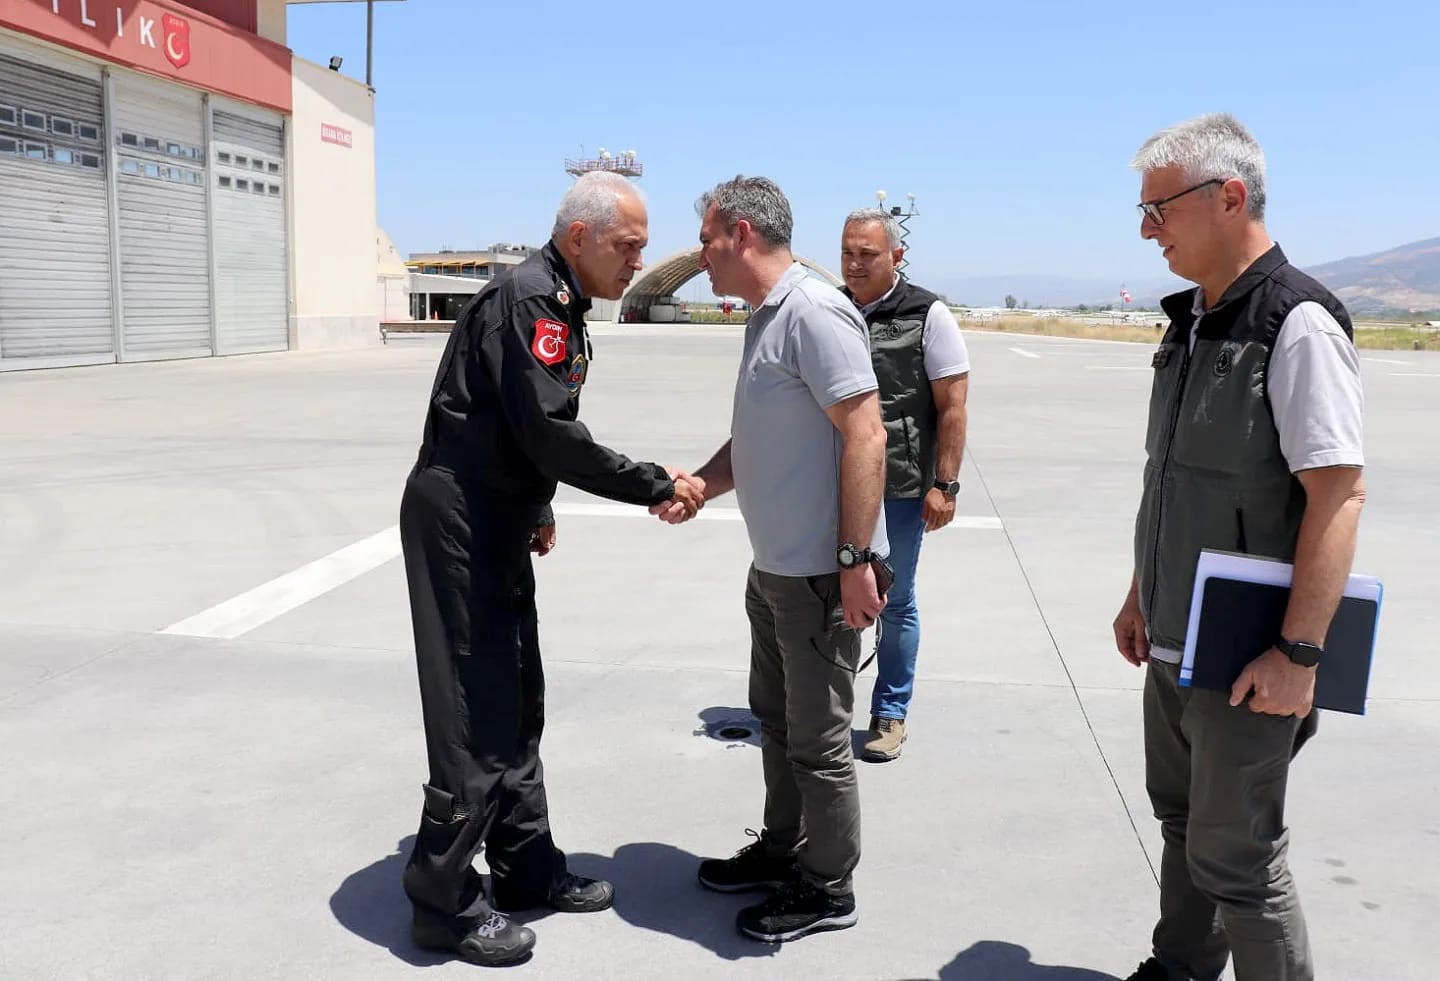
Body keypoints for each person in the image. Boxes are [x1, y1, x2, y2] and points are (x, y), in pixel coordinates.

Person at [399, 171, 703, 967]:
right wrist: (653, 482)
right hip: (461, 517)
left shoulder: (557, 300)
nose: (638, 259)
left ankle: (526, 866)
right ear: (579, 237)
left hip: (494, 512)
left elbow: (513, 424)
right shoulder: (533, 300)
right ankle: (443, 902)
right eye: (627, 244)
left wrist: (534, 506)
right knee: (475, 708)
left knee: (518, 693)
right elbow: (551, 433)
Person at [1114, 114, 1365, 981]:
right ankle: (1181, 966)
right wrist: (1140, 590)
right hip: (1176, 639)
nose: (1148, 229)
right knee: (1182, 821)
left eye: (1160, 209)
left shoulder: (1296, 326)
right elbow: (1177, 479)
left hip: (1249, 655)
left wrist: (1299, 653)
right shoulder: (1194, 324)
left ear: (1229, 197)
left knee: (1240, 860)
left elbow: (1339, 494)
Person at [652, 175, 889, 943]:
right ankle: (786, 847)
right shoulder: (767, 318)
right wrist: (700, 484)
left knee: (819, 742)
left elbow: (867, 433)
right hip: (777, 568)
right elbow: (757, 443)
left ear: (743, 235)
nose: (700, 254)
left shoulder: (815, 312)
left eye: (708, 238)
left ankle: (828, 885)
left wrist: (855, 557)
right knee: (778, 724)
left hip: (821, 572)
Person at [839, 208, 970, 761]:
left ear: (896, 255)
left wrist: (947, 485)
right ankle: (828, 708)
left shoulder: (927, 313)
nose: (854, 263)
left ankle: (890, 713)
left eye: (867, 254)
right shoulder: (831, 308)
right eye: (847, 252)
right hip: (837, 483)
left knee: (895, 601)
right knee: (831, 596)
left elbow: (954, 406)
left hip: (902, 486)